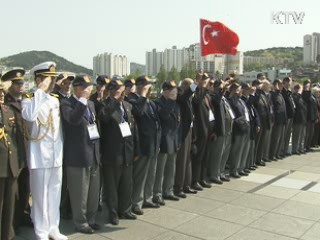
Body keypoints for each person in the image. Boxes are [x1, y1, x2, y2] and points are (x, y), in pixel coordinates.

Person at [21, 61, 67, 240]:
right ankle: (40, 231)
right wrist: (40, 90)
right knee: (40, 195)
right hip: (39, 155)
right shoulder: (29, 98)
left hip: (56, 155)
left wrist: (61, 152)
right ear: (39, 79)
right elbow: (29, 116)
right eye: (49, 79)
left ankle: (53, 228)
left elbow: (58, 130)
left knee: (54, 193)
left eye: (53, 79)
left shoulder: (54, 99)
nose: (53, 83)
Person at [60, 75, 101, 234]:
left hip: (94, 154)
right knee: (80, 193)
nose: (89, 89)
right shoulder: (66, 103)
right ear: (77, 88)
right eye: (86, 87)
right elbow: (73, 120)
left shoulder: (91, 104)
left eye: (90, 86)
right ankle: (80, 222)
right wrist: (82, 101)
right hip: (78, 155)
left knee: (93, 192)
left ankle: (91, 219)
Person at [99, 79, 137, 225]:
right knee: (112, 187)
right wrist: (114, 100)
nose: (124, 92)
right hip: (112, 154)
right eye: (121, 90)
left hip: (127, 152)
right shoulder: (104, 105)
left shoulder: (127, 105)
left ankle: (125, 210)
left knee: (126, 184)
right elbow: (104, 118)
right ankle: (112, 213)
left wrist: (135, 149)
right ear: (113, 90)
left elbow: (134, 129)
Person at [2, 69, 32, 229]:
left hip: (26, 151)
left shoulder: (26, 101)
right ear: (10, 85)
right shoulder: (5, 103)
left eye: (22, 82)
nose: (21, 86)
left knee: (25, 187)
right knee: (13, 191)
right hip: (12, 152)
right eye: (17, 83)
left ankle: (23, 215)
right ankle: (13, 221)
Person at [130, 76, 161, 215]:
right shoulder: (133, 99)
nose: (151, 88)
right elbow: (138, 113)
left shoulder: (151, 102)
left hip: (153, 144)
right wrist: (142, 94)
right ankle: (136, 202)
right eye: (148, 86)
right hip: (142, 145)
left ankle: (147, 198)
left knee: (150, 174)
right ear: (141, 86)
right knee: (140, 176)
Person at [0, 82, 24, 240]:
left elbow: (17, 138)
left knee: (10, 204)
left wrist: (19, 162)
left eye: (2, 91)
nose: (2, 94)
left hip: (11, 165)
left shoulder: (8, 110)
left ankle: (7, 235)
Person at [153, 81, 181, 204]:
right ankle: (157, 193)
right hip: (164, 141)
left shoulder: (175, 103)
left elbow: (178, 123)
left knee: (171, 169)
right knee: (160, 170)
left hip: (174, 140)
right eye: (171, 91)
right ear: (165, 91)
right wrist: (170, 101)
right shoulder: (157, 103)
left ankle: (168, 191)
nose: (174, 93)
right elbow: (163, 116)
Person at [174, 78, 197, 196]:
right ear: (186, 86)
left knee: (188, 159)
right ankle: (178, 188)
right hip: (182, 132)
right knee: (182, 160)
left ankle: (187, 185)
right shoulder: (180, 94)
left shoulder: (188, 97)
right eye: (192, 86)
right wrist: (196, 83)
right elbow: (184, 97)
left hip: (189, 130)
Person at [191, 73, 214, 190]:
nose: (205, 82)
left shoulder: (207, 96)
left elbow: (211, 112)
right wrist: (200, 85)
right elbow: (196, 101)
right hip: (199, 131)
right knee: (198, 157)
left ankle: (202, 178)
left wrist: (213, 130)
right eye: (203, 80)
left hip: (208, 130)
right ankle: (195, 180)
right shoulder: (196, 94)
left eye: (206, 80)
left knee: (205, 156)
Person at [227, 83, 251, 178]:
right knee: (237, 150)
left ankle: (241, 168)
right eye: (239, 90)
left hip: (245, 127)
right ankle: (234, 170)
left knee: (244, 150)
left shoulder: (241, 100)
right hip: (238, 128)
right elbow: (234, 114)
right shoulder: (232, 100)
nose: (241, 91)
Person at [269, 79, 287, 160]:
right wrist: (276, 88)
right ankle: (272, 154)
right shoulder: (273, 94)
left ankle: (277, 153)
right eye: (279, 84)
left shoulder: (280, 94)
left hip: (282, 120)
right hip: (277, 121)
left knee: (280, 139)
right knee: (275, 139)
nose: (282, 85)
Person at [302, 79, 318, 152]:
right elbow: (306, 98)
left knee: (311, 133)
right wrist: (306, 89)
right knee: (307, 133)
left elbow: (315, 106)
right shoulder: (305, 94)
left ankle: (308, 146)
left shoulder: (312, 96)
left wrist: (316, 116)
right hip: (308, 116)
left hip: (312, 117)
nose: (309, 87)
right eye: (308, 85)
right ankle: (304, 146)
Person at [281, 77, 295, 156]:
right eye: (289, 82)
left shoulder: (289, 92)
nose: (290, 83)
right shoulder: (283, 92)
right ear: (285, 82)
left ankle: (285, 150)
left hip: (291, 116)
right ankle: (282, 150)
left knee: (288, 134)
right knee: (284, 134)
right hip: (286, 116)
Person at [292, 84, 307, 154]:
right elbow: (296, 105)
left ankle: (301, 148)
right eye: (298, 89)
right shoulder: (294, 96)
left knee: (302, 135)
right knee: (296, 135)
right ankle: (295, 149)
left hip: (302, 118)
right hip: (297, 119)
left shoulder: (301, 97)